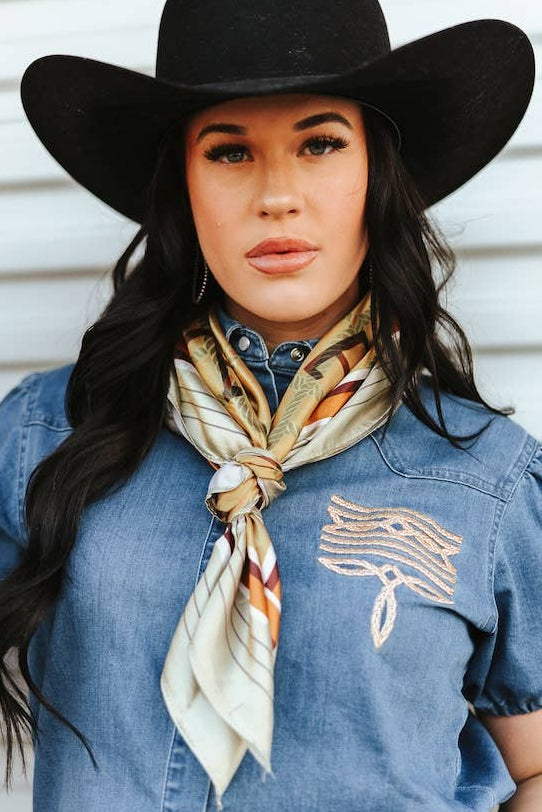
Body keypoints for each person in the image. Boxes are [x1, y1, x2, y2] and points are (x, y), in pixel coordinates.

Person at [0, 0, 540, 809]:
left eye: (321, 143)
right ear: (183, 187)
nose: (277, 195)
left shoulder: (489, 478)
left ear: (376, 174)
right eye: (228, 151)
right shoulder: (44, 434)